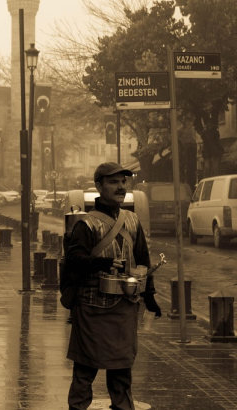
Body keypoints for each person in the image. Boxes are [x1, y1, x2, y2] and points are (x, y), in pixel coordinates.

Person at [64, 162, 161, 410]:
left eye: (123, 181)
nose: (121, 187)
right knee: (85, 371)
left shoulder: (133, 220)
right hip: (91, 308)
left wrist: (149, 296)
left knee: (122, 370)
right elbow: (74, 259)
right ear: (99, 186)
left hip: (125, 307)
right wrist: (102, 263)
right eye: (113, 182)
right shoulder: (86, 224)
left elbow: (143, 260)